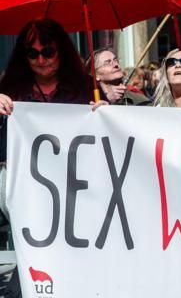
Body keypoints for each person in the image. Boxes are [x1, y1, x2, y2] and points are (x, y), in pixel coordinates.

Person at [0, 18, 104, 298]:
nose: (41, 59)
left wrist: (106, 113)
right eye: (32, 53)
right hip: (28, 191)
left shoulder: (85, 87)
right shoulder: (10, 88)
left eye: (48, 51)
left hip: (77, 190)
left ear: (61, 51)